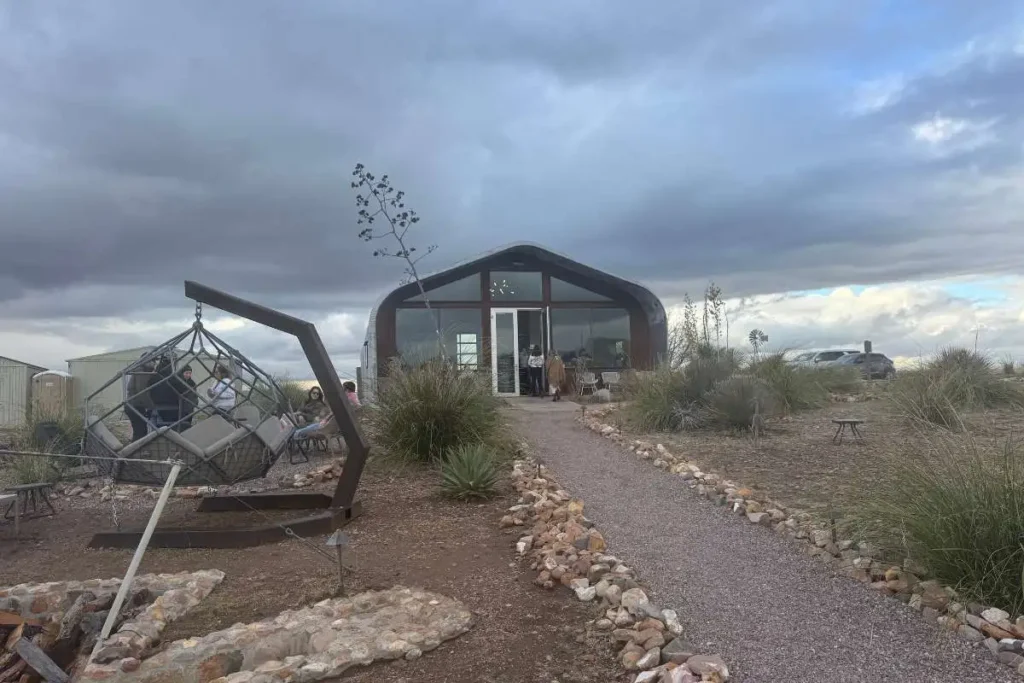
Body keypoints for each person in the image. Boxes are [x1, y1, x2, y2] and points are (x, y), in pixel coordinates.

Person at [126, 354, 155, 440]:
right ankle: (135, 452)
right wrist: (151, 406)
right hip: (135, 405)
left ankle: (134, 451)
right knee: (140, 432)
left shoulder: (140, 371)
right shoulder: (141, 372)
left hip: (133, 404)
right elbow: (142, 391)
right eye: (153, 361)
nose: (154, 364)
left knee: (140, 431)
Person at [148, 355, 181, 427]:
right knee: (172, 424)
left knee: (156, 424)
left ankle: (155, 435)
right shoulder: (174, 377)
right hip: (173, 405)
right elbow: (180, 388)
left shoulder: (154, 377)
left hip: (157, 404)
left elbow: (149, 388)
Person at [177, 365, 199, 430]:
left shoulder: (192, 383)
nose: (188, 375)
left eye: (190, 373)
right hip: (180, 406)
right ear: (182, 373)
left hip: (189, 407)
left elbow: (195, 394)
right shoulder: (178, 382)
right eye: (186, 373)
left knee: (187, 423)